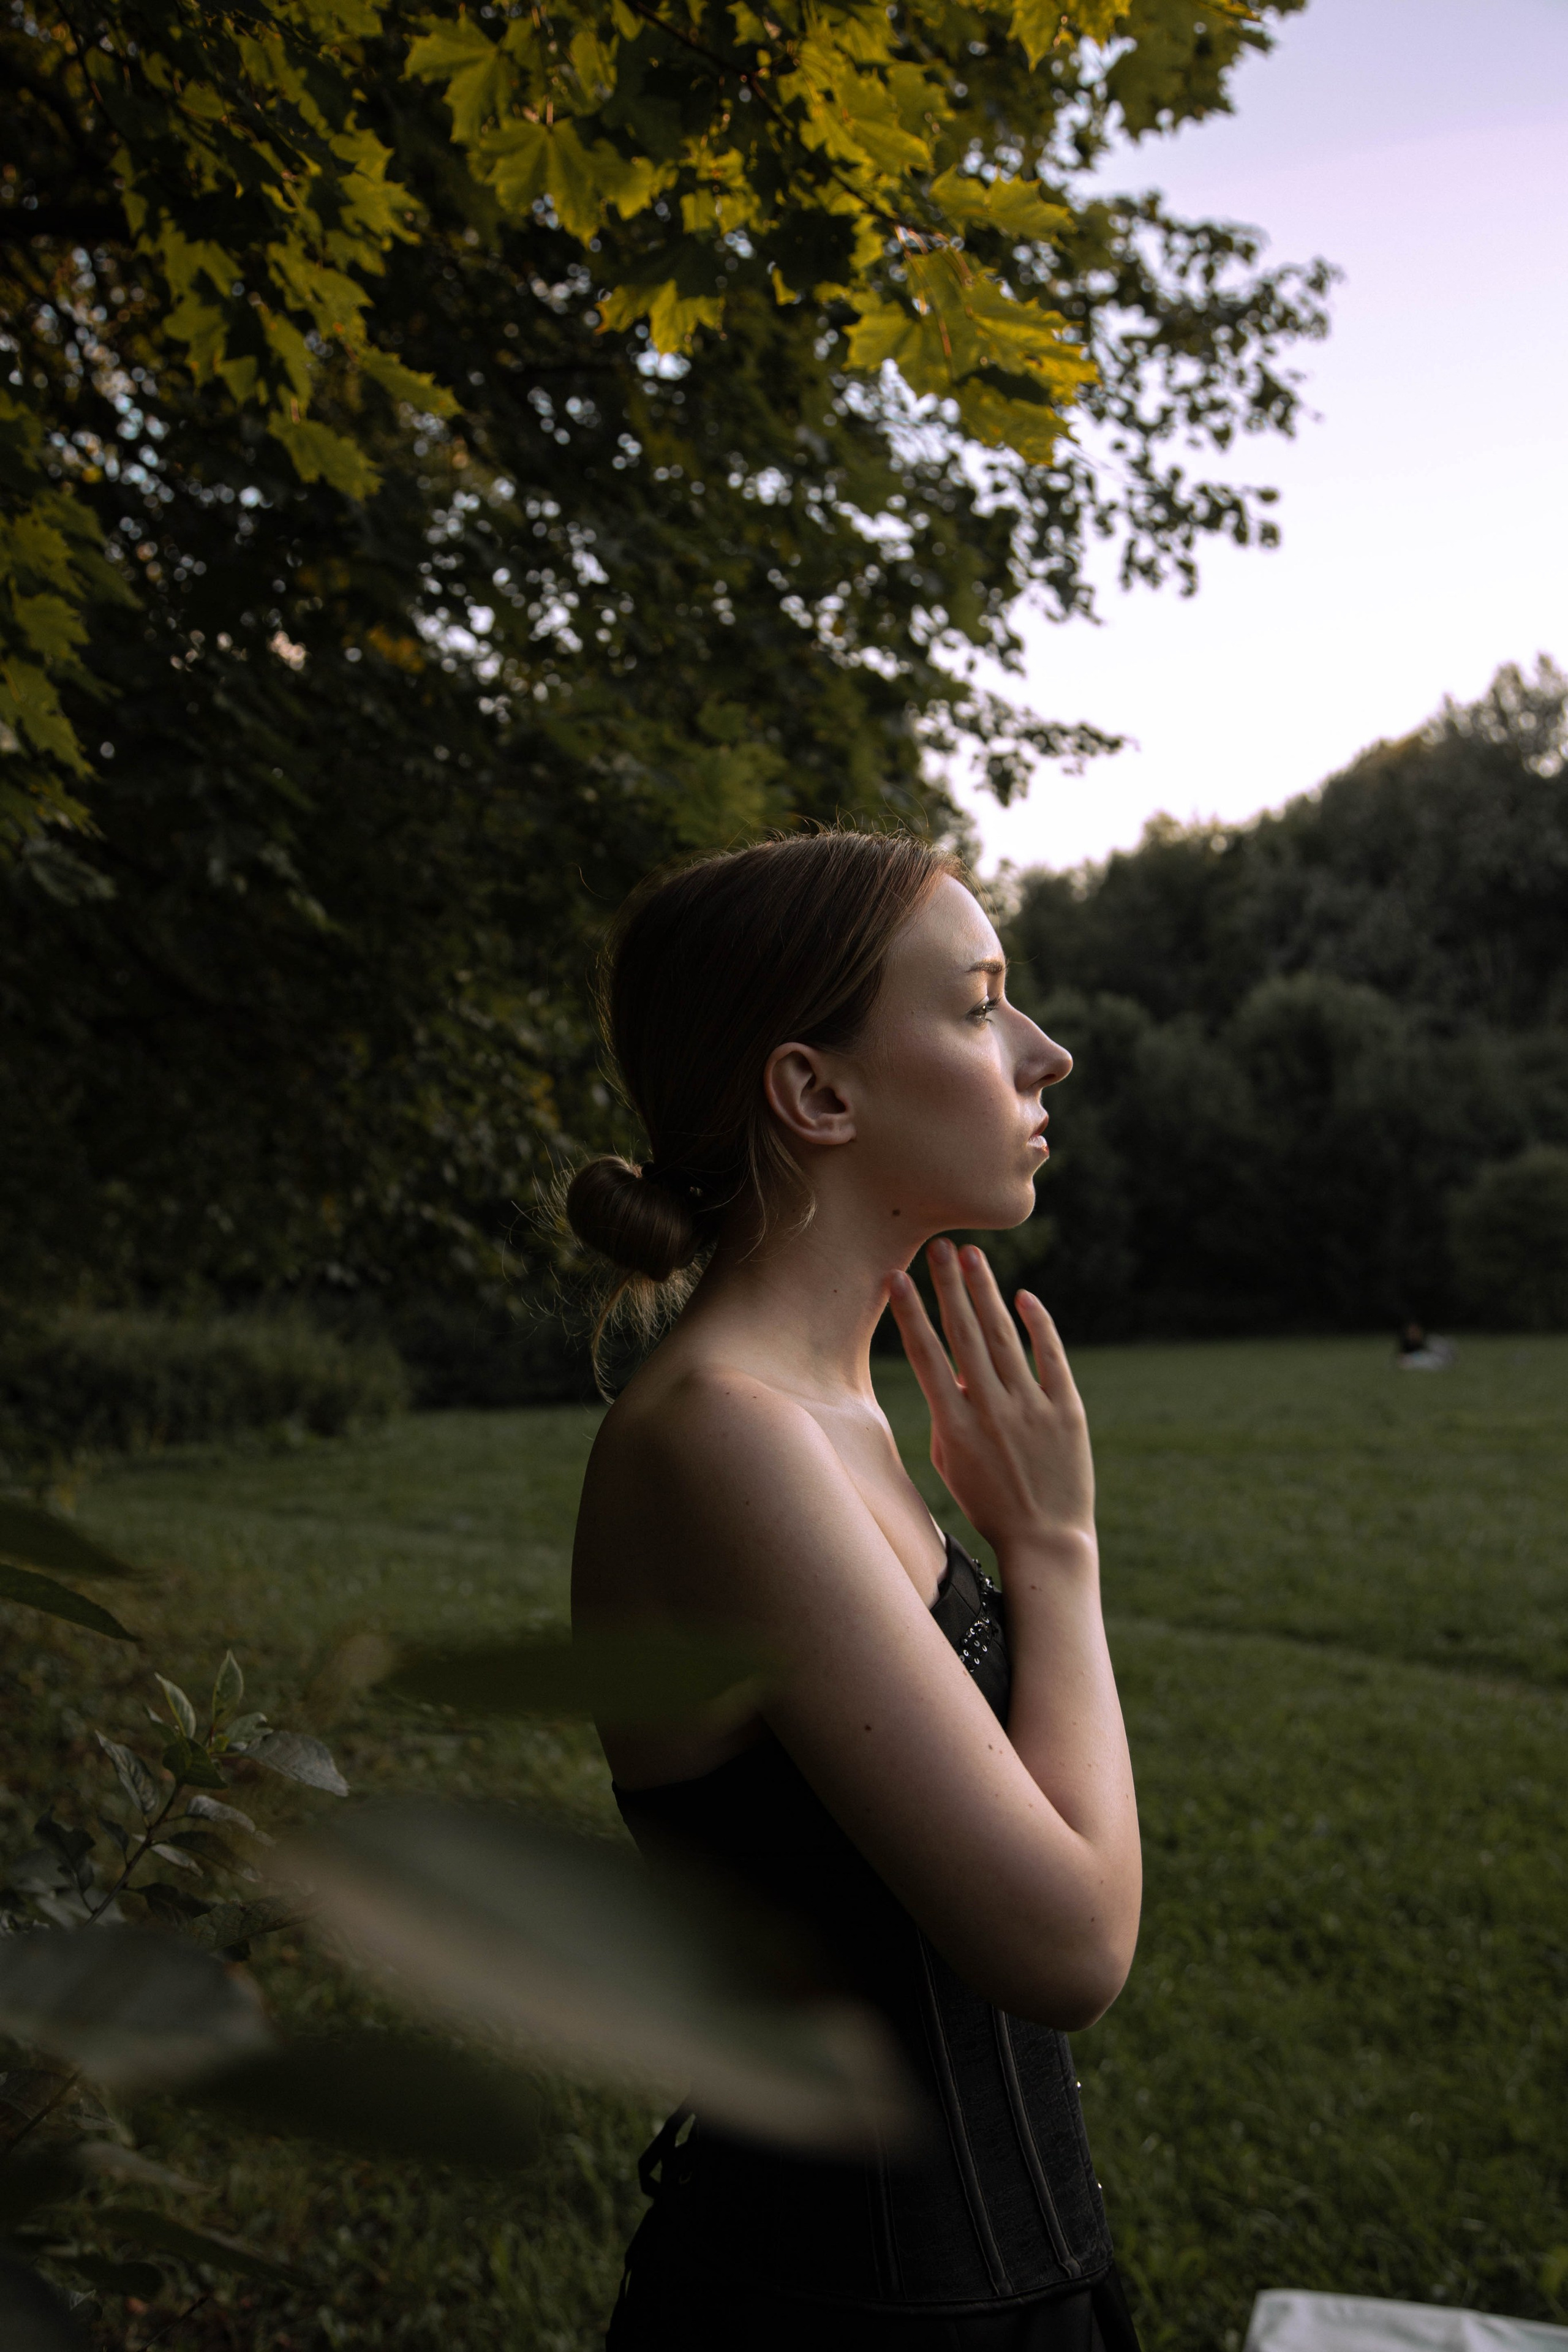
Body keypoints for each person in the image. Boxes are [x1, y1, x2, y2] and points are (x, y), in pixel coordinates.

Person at [566, 830, 1144, 2352]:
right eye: (974, 1005)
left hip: (995, 2292)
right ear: (815, 1093)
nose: (1046, 1051)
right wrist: (1053, 1553)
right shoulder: (720, 1442)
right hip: (844, 2318)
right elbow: (1068, 1947)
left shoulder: (829, 1424)